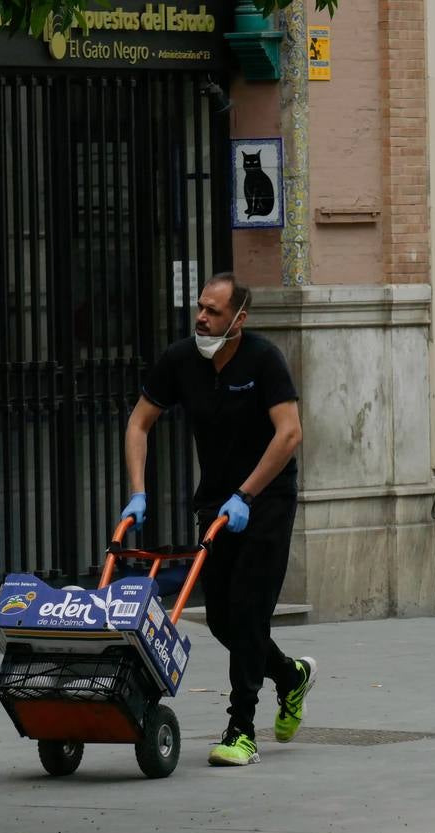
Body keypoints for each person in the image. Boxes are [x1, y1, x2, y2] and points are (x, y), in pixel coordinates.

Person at [120, 272, 315, 767]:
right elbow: (139, 422)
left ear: (239, 319)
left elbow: (289, 433)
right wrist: (137, 493)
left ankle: (241, 729)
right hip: (215, 505)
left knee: (249, 612)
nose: (202, 318)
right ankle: (290, 676)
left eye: (214, 311)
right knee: (225, 620)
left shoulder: (264, 360)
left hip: (266, 501)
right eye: (200, 308)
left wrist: (247, 493)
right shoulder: (181, 359)